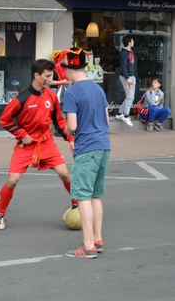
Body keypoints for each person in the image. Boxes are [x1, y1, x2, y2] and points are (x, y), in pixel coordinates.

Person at [0, 59, 75, 231]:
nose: (50, 79)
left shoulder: (51, 96)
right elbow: (4, 120)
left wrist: (70, 139)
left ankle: (76, 205)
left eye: (51, 75)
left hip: (46, 142)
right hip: (26, 146)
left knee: (65, 174)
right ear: (36, 75)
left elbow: (59, 122)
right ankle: (0, 214)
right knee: (12, 180)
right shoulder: (22, 98)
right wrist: (22, 134)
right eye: (47, 76)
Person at [62, 48, 111, 259]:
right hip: (103, 145)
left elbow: (72, 126)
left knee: (82, 197)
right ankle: (98, 239)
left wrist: (66, 128)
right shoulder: (98, 89)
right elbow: (107, 121)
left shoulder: (71, 92)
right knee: (96, 196)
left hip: (86, 148)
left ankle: (88, 245)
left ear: (69, 70)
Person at [115, 35, 136, 127]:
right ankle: (126, 115)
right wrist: (127, 78)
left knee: (129, 96)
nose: (133, 42)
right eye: (132, 40)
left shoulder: (130, 51)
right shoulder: (124, 53)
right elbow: (123, 67)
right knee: (130, 97)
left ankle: (120, 114)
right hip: (126, 77)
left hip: (130, 76)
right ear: (129, 42)